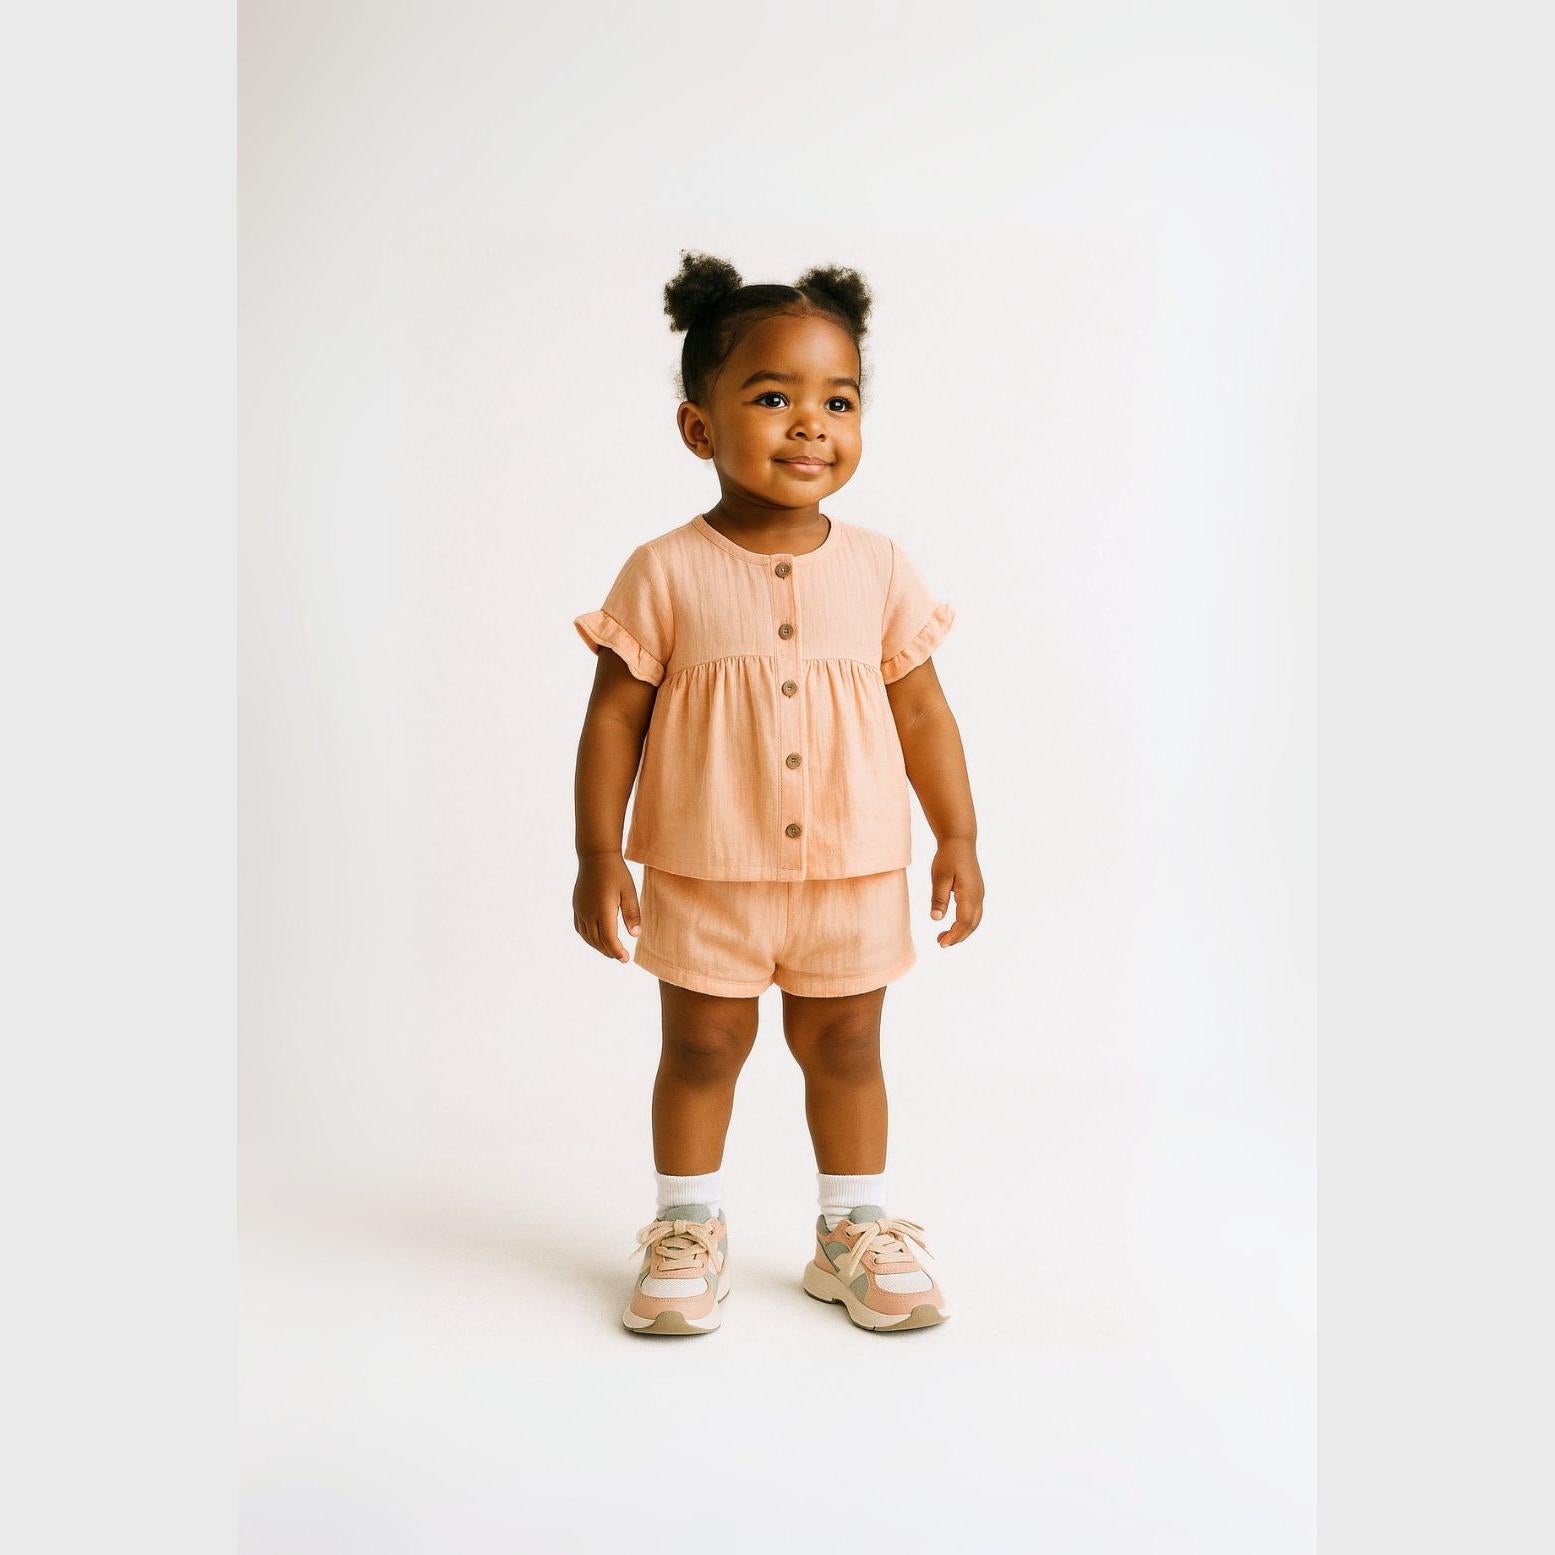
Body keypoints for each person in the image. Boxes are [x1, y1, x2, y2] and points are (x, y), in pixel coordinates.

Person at [571, 250, 984, 1335]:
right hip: (707, 869)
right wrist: (597, 853)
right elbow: (612, 715)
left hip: (851, 867)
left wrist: (959, 836)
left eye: (837, 400)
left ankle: (850, 1231)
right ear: (699, 428)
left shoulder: (882, 567)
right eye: (772, 397)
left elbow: (924, 713)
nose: (810, 424)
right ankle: (686, 1225)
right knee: (701, 1046)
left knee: (847, 1046)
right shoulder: (662, 570)